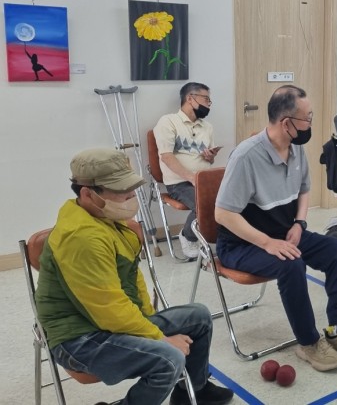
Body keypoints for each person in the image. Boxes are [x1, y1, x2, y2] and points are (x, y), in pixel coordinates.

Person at [35, 148, 233, 405]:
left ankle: (193, 391)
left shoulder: (106, 219)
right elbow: (110, 309)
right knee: (168, 359)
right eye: (121, 190)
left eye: (130, 187)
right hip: (79, 338)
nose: (131, 195)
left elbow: (131, 278)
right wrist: (160, 337)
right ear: (88, 194)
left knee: (199, 316)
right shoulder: (82, 238)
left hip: (107, 323)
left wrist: (148, 321)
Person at [214, 85, 337, 372]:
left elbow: (304, 190)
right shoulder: (246, 157)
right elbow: (223, 214)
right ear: (286, 122)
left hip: (285, 233)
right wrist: (267, 243)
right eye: (307, 118)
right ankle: (308, 342)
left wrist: (300, 223)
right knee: (291, 264)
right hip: (242, 244)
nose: (310, 124)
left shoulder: (296, 148)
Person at [153, 82, 219, 259]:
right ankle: (188, 236)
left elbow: (210, 159)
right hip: (179, 183)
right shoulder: (168, 122)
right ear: (190, 98)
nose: (208, 104)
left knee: (231, 200)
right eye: (206, 99)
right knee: (205, 204)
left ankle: (225, 239)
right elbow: (166, 156)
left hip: (204, 179)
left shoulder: (207, 127)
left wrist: (210, 157)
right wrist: (191, 177)